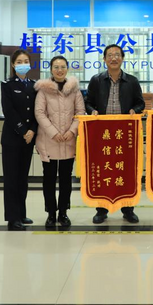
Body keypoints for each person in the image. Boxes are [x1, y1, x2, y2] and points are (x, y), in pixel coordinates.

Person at [85, 44, 145, 224]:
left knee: (126, 170)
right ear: (104, 59)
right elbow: (88, 102)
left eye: (117, 55)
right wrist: (92, 111)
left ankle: (128, 209)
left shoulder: (132, 81)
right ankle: (101, 209)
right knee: (103, 169)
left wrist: (135, 110)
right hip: (102, 133)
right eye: (110, 55)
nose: (113, 58)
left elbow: (140, 103)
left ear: (122, 58)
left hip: (124, 134)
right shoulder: (96, 80)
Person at [34, 55, 85, 228]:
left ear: (67, 69)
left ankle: (63, 212)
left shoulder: (74, 90)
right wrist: (53, 132)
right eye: (56, 67)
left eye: (63, 67)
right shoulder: (43, 90)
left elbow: (80, 112)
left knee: (65, 180)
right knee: (49, 179)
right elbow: (39, 113)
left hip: (69, 141)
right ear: (51, 70)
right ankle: (51, 213)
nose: (59, 70)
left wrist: (72, 131)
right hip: (48, 140)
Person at [0, 49, 38, 231]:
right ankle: (12, 217)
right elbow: (8, 111)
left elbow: (37, 111)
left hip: (28, 139)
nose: (23, 64)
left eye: (26, 61)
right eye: (19, 62)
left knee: (22, 178)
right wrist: (23, 130)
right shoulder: (7, 85)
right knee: (11, 179)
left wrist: (32, 130)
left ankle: (21, 213)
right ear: (13, 65)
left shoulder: (34, 85)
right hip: (12, 138)